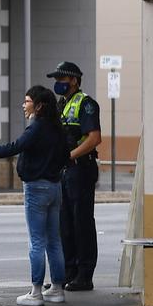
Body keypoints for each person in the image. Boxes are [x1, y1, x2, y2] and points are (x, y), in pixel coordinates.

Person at [0, 86, 66, 306]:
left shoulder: (36, 128)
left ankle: (36, 292)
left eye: (27, 101)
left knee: (37, 241)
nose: (24, 105)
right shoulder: (57, 128)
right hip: (55, 187)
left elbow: (13, 148)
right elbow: (65, 155)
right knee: (54, 241)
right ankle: (57, 289)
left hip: (36, 188)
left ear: (39, 105)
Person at [47, 61, 102, 291]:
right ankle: (69, 271)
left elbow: (94, 138)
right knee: (64, 224)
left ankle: (84, 274)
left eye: (62, 79)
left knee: (81, 222)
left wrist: (70, 156)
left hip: (80, 168)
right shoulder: (61, 104)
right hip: (64, 171)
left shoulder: (86, 103)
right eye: (56, 80)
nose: (58, 83)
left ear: (74, 81)